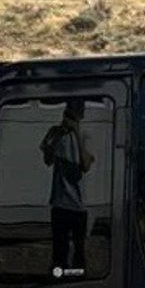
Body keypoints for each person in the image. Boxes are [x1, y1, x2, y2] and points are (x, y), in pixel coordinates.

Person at [41, 99, 94, 274]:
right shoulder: (54, 133)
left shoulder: (85, 134)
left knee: (79, 249)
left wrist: (76, 133)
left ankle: (76, 277)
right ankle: (59, 276)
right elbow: (47, 161)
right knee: (59, 248)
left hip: (79, 204)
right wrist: (58, 136)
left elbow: (85, 165)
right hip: (60, 201)